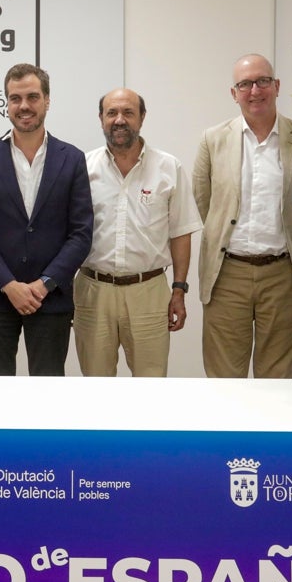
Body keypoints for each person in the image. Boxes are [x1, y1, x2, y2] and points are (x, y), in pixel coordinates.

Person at [0, 63, 93, 376]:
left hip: (50, 299)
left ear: (47, 101)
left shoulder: (72, 158)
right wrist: (9, 286)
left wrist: (44, 284)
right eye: (15, 98)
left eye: (33, 97)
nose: (24, 106)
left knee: (46, 395)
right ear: (7, 103)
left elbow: (81, 233)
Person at [193, 54, 292, 378]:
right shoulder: (213, 139)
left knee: (278, 378)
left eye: (262, 81)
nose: (254, 90)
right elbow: (205, 201)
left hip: (282, 275)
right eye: (245, 84)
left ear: (277, 86)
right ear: (234, 93)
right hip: (227, 274)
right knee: (224, 378)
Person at [74, 88, 202, 377]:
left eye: (128, 113)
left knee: (151, 387)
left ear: (142, 118)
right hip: (94, 290)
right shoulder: (82, 167)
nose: (120, 120)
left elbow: (181, 233)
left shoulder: (168, 167)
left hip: (149, 292)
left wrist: (179, 290)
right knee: (96, 385)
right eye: (112, 113)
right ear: (101, 119)